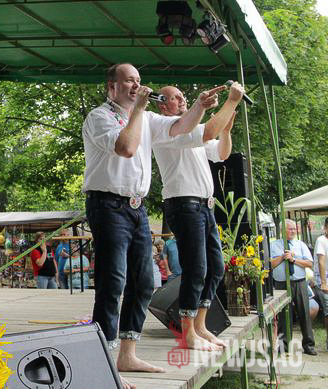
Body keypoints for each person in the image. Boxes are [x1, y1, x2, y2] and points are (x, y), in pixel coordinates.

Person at [82, 62, 223, 385]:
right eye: (129, 81)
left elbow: (181, 127)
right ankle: (103, 362)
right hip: (107, 205)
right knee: (112, 283)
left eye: (139, 80)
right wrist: (140, 110)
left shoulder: (145, 118)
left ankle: (127, 354)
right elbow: (126, 147)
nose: (136, 85)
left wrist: (200, 107)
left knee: (145, 281)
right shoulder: (99, 117)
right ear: (112, 87)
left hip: (136, 207)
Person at [152, 82, 243, 350]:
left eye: (182, 96)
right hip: (184, 205)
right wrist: (231, 101)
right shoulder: (166, 129)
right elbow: (208, 130)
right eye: (175, 97)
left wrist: (226, 130)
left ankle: (200, 326)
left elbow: (222, 153)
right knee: (196, 269)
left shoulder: (191, 130)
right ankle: (188, 331)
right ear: (162, 105)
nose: (181, 100)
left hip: (204, 206)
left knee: (216, 267)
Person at [270, 219, 317, 355]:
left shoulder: (300, 244)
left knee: (304, 314)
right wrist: (283, 257)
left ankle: (309, 345)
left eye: (294, 229)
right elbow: (270, 264)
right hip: (282, 284)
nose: (293, 231)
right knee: (284, 315)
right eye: (290, 229)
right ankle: (283, 346)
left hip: (299, 283)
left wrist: (293, 260)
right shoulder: (274, 245)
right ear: (282, 230)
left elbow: (309, 263)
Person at [311, 217, 328, 348]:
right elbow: (321, 262)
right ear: (326, 227)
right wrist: (323, 282)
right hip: (323, 279)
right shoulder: (321, 240)